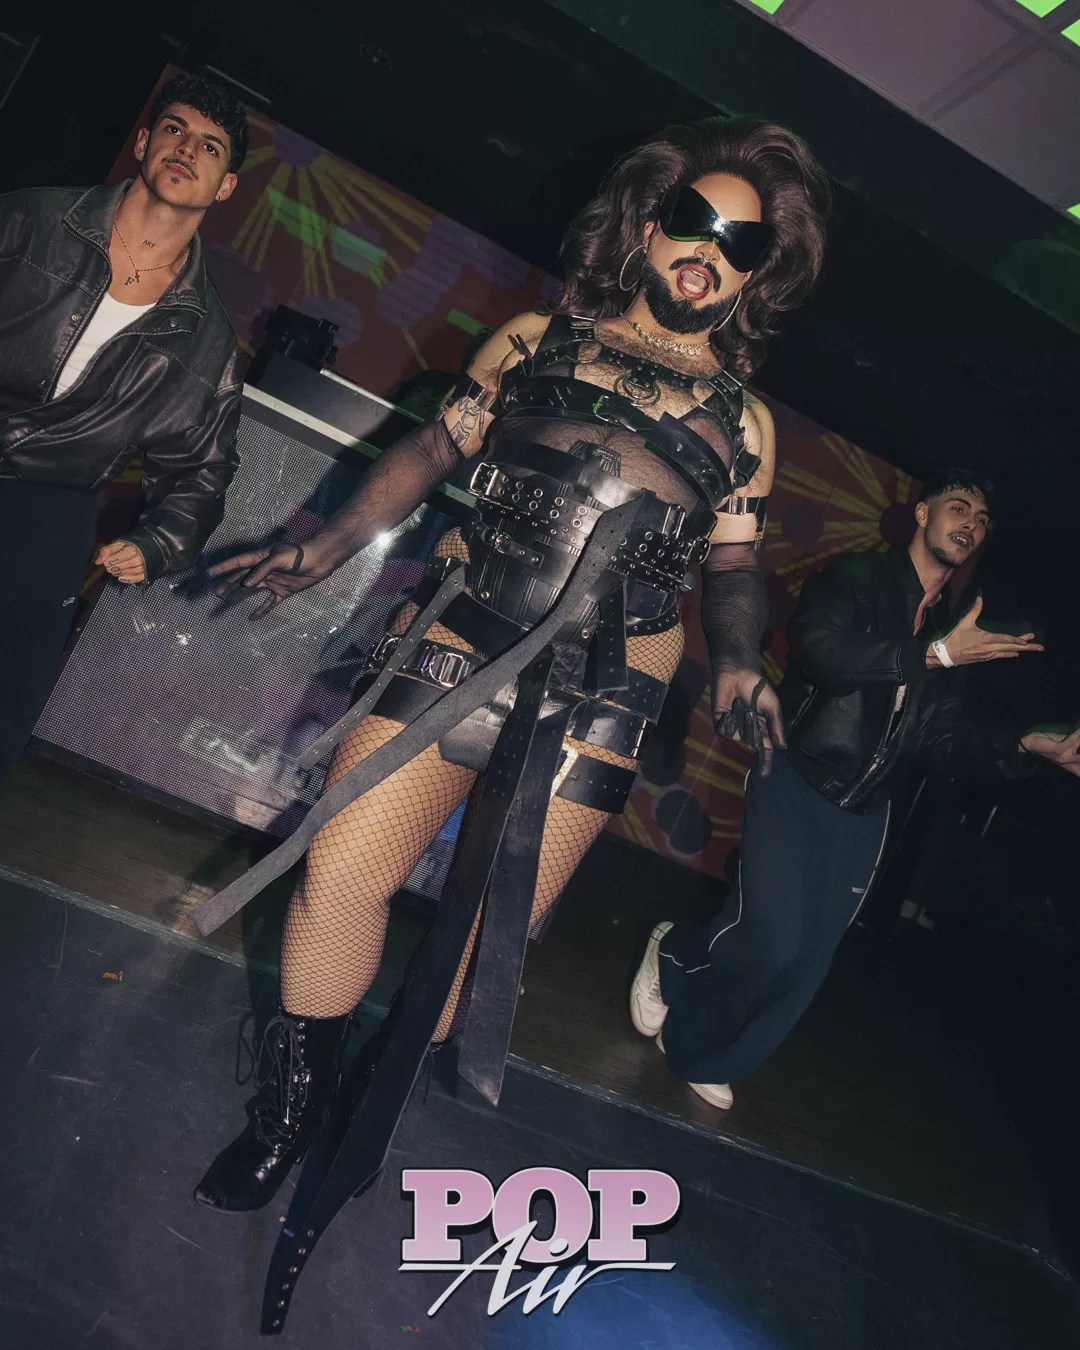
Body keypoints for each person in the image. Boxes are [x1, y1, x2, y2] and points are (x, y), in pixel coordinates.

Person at [192, 117, 831, 1220]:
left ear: (754, 274)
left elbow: (733, 564)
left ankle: (369, 1098)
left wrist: (737, 661)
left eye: (741, 243)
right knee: (341, 869)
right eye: (696, 221)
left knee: (485, 933)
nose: (710, 252)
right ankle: (292, 1107)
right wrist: (327, 544)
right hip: (467, 634)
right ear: (650, 224)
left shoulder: (747, 422)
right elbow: (435, 448)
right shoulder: (537, 340)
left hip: (613, 677)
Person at [631, 469, 1080, 1109]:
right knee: (771, 940)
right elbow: (823, 654)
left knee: (806, 964)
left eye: (981, 521)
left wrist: (1024, 745)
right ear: (922, 514)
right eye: (959, 509)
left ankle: (707, 1053)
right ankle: (675, 954)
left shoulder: (955, 626)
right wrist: (933, 655)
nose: (970, 526)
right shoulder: (857, 577)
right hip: (796, 771)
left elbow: (944, 740)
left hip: (868, 810)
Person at [0, 73, 247, 781]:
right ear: (143, 143)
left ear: (226, 186)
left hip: (47, 510)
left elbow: (203, 469)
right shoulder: (32, 219)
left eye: (210, 146)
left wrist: (158, 541)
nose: (187, 149)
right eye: (174, 129)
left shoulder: (206, 339)